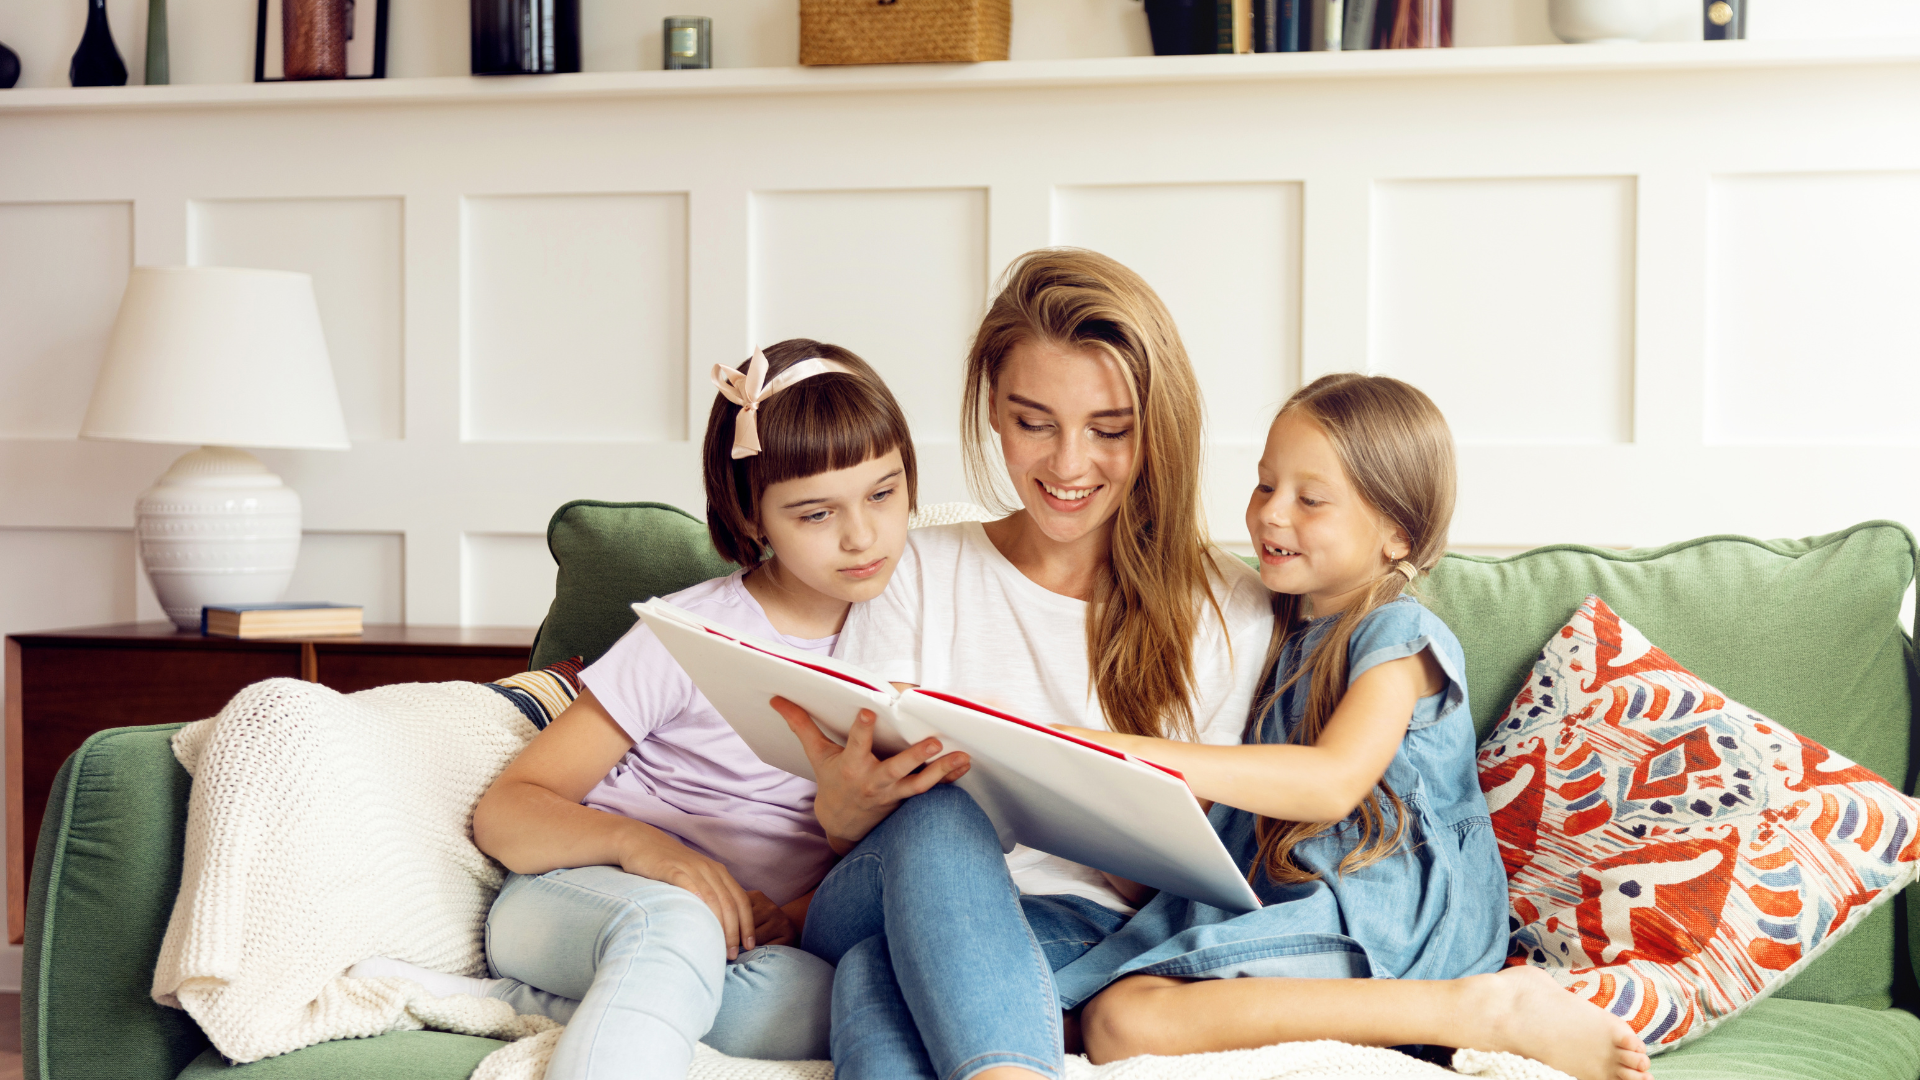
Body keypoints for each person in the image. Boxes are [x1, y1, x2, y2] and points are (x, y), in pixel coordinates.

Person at [355, 339, 963, 1080]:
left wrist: (791, 916)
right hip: (582, 900)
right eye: (816, 513)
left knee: (843, 998)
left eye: (883, 493)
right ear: (753, 514)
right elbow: (508, 812)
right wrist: (648, 851)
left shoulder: (915, 640)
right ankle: (583, 993)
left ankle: (538, 1004)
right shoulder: (688, 635)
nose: (863, 535)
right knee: (673, 926)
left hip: (743, 942)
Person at [1045, 373, 1655, 1080]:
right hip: (1296, 896)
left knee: (1125, 1020)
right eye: (1264, 485)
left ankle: (1476, 1011)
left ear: (1397, 532)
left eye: (1310, 500)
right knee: (1079, 1007)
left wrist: (1130, 754)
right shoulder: (1280, 635)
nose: (1272, 515)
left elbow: (1332, 783)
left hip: (1389, 912)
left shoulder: (1399, 636)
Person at [771, 249, 1276, 1080]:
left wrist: (1079, 803)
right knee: (939, 816)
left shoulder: (1231, 608)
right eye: (1034, 422)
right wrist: (843, 808)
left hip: (1080, 927)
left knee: (877, 974)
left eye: (1109, 430)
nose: (1068, 466)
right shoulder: (917, 568)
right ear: (993, 414)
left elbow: (1189, 884)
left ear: (1158, 430)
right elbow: (852, 828)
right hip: (877, 885)